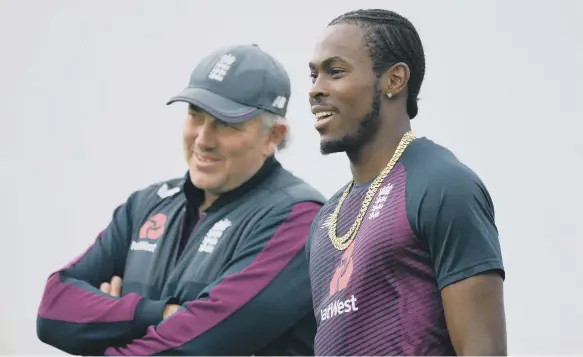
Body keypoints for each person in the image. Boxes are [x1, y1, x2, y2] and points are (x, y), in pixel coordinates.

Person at [37, 44, 326, 356]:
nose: (203, 139)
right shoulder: (145, 205)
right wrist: (156, 313)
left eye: (226, 123)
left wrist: (105, 320)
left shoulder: (299, 218)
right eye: (195, 114)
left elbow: (194, 347)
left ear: (274, 136)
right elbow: (53, 310)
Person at [306, 9, 507, 356]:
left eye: (334, 72)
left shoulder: (442, 185)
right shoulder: (325, 221)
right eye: (313, 76)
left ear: (394, 80)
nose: (316, 91)